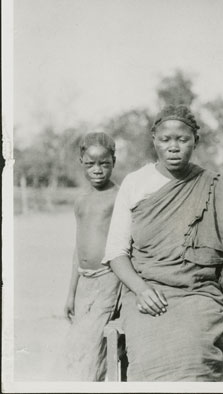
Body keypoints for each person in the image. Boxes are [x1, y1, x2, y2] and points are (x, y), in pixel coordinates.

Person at [102, 105, 223, 382]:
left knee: (196, 352)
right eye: (165, 140)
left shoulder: (212, 186)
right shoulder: (136, 183)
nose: (174, 147)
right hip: (147, 292)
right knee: (150, 355)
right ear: (154, 140)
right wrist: (142, 290)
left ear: (196, 140)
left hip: (200, 294)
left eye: (182, 140)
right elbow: (116, 253)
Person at [57, 132, 120, 381]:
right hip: (84, 284)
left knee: (94, 345)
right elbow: (78, 248)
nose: (97, 170)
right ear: (81, 160)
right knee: (79, 347)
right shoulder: (80, 201)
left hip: (108, 279)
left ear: (114, 161)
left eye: (104, 163)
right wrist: (71, 293)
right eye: (90, 163)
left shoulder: (119, 197)